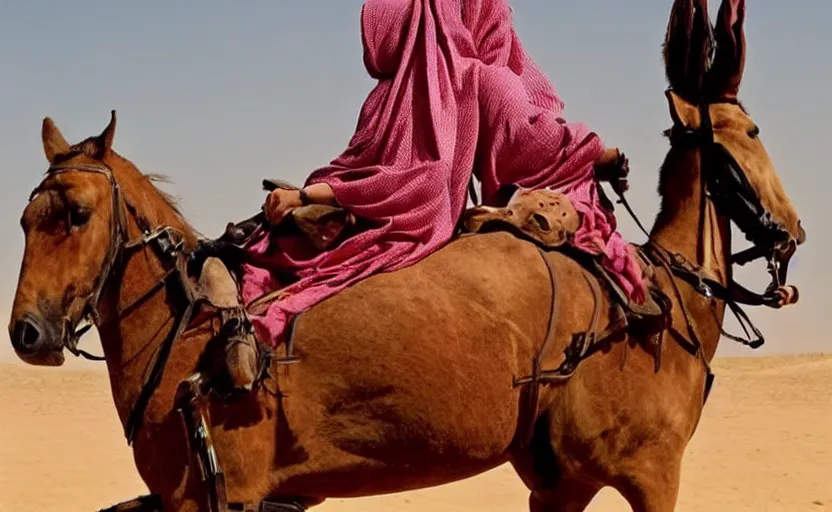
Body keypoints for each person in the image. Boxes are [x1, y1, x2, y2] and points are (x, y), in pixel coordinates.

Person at [213, 0, 644, 394]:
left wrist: (313, 192)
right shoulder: (481, 81)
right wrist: (598, 152)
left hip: (352, 203)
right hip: (393, 212)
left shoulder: (394, 92)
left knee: (271, 245)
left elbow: (385, 171)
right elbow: (516, 146)